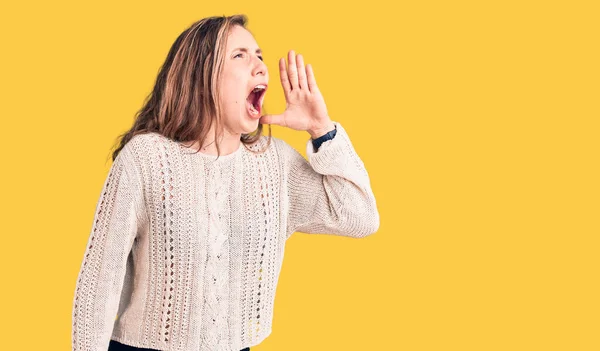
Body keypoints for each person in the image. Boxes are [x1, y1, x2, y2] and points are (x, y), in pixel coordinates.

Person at [71, 14, 380, 351]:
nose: (260, 65)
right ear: (202, 75)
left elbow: (360, 216)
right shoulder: (146, 158)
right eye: (240, 55)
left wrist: (322, 130)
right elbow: (99, 284)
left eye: (259, 55)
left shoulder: (274, 163)